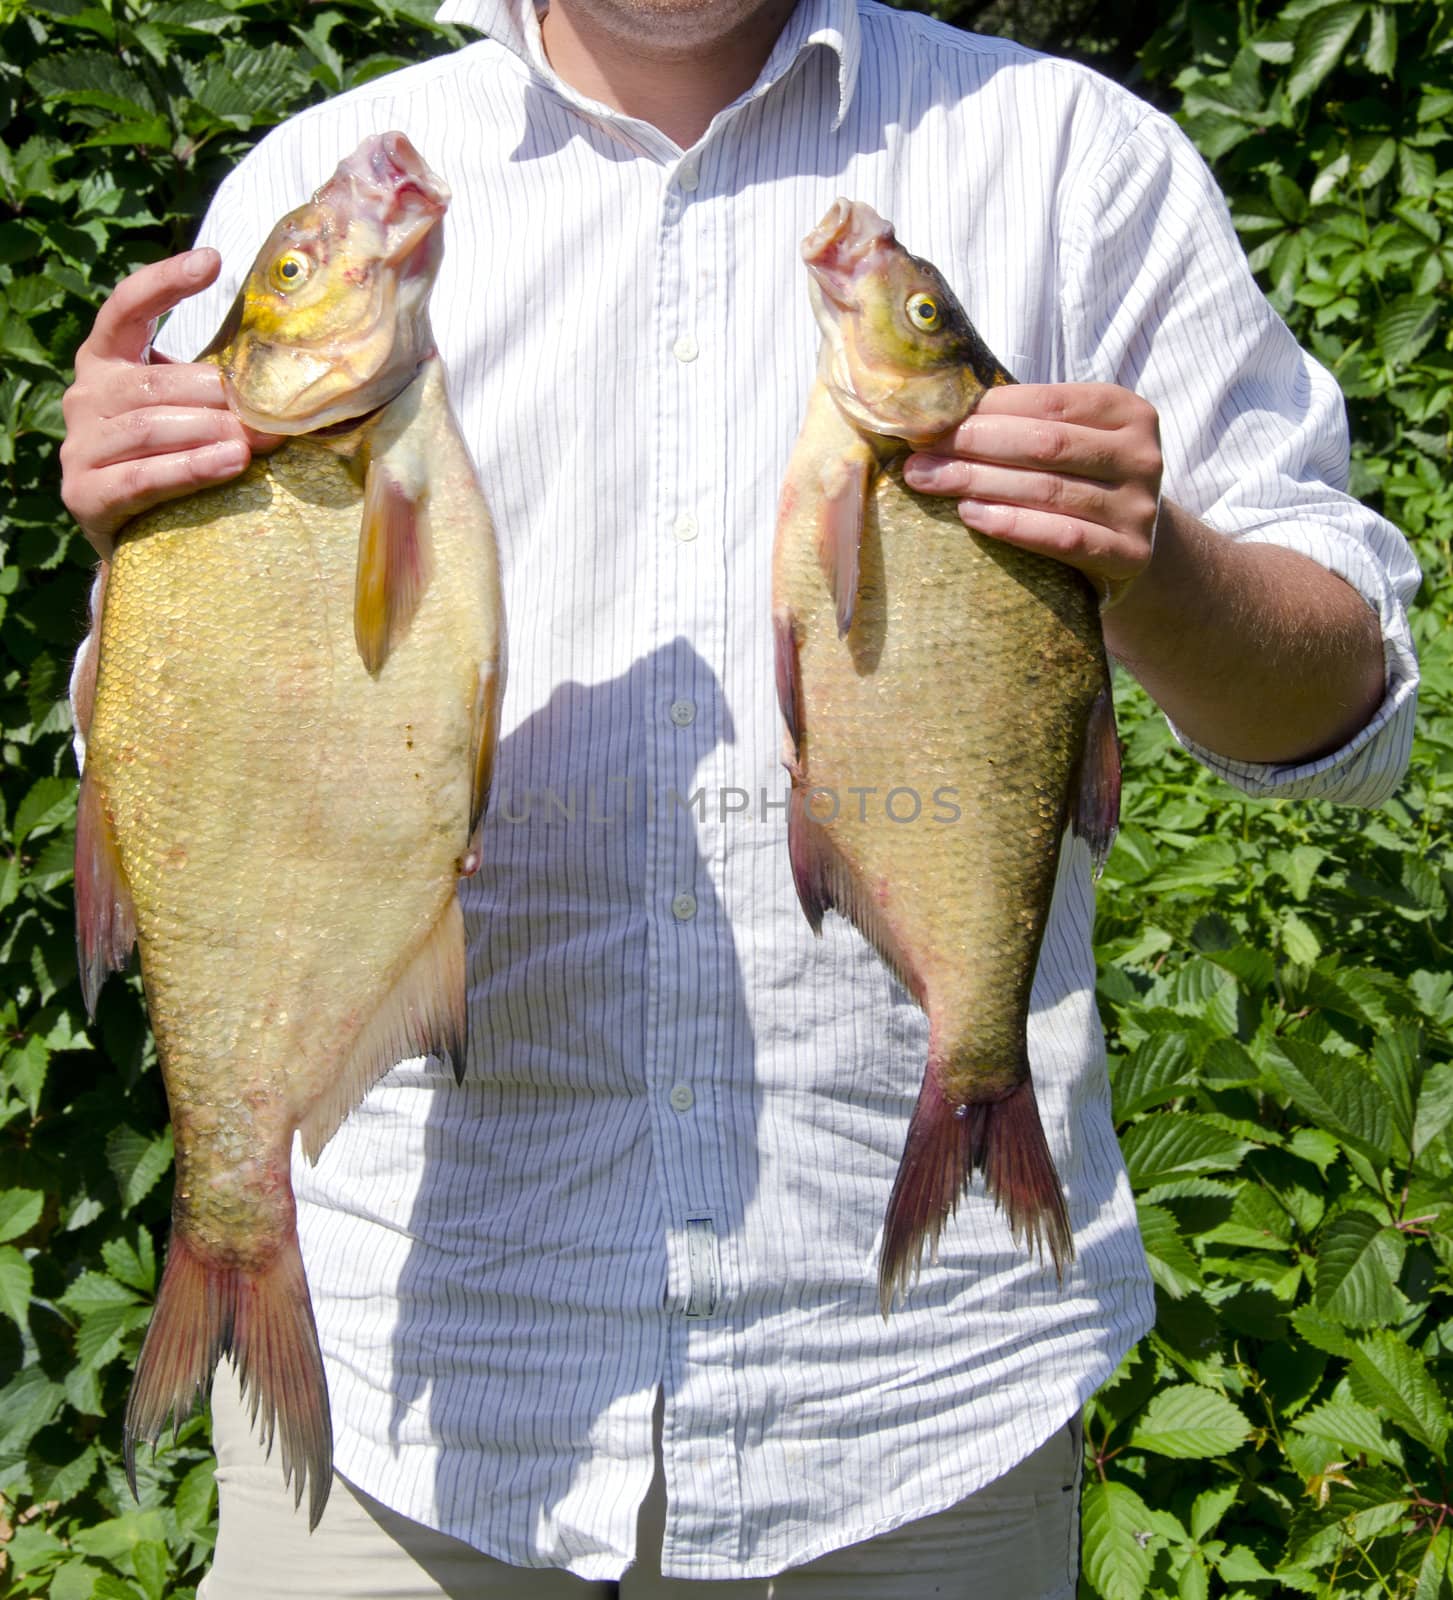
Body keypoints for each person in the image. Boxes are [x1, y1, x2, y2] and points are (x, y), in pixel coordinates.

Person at [59, 1, 1420, 1595]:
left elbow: (1347, 719)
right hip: (404, 1385)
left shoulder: (1072, 158)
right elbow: (157, 756)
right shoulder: (322, 175)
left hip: (913, 1397)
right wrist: (159, 549)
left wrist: (1160, 564)